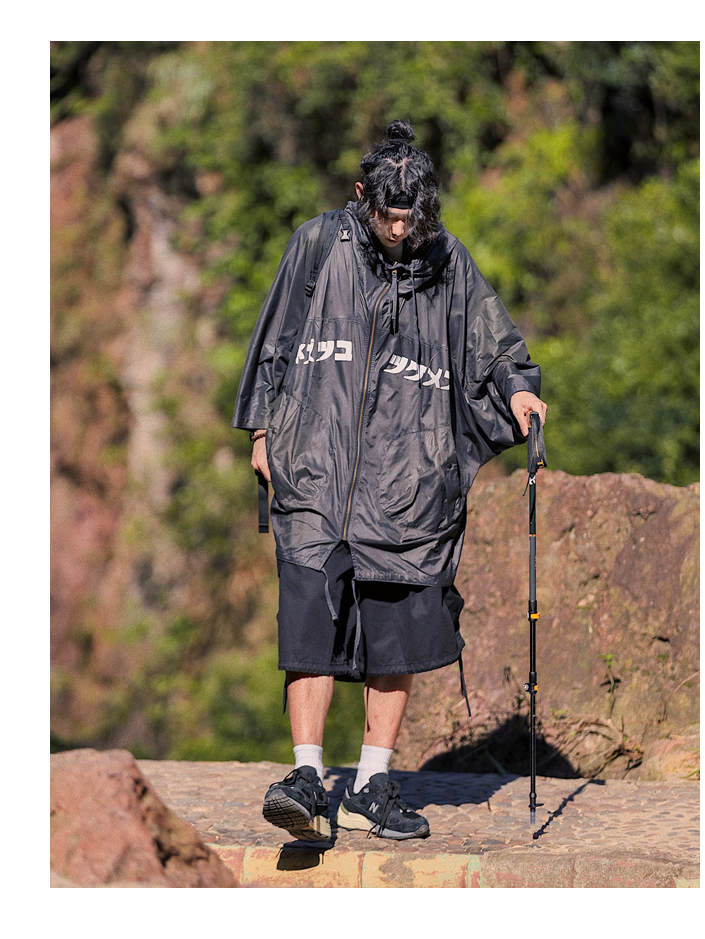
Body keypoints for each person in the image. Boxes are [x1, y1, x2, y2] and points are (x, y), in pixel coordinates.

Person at [232, 120, 547, 842]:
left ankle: (371, 785)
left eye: (412, 219)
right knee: (308, 625)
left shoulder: (448, 261)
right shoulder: (318, 245)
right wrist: (261, 431)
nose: (400, 231)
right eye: (388, 217)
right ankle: (306, 777)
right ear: (361, 196)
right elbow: (273, 340)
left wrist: (519, 388)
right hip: (314, 469)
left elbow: (494, 343)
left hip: (409, 483)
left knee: (395, 635)